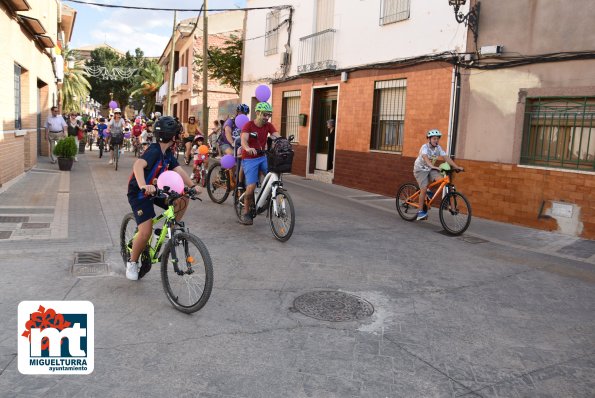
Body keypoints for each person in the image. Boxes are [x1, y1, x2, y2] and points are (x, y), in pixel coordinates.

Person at [125, 116, 198, 280]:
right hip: (139, 193)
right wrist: (144, 185)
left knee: (182, 199)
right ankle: (132, 262)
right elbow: (138, 165)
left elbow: (179, 170)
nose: (180, 136)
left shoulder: (168, 153)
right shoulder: (154, 150)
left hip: (157, 190)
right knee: (145, 232)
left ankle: (167, 231)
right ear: (172, 136)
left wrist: (192, 187)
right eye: (178, 133)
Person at [239, 102, 279, 225]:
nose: (267, 117)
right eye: (264, 114)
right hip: (250, 158)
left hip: (263, 156)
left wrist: (284, 143)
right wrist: (247, 148)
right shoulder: (249, 125)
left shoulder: (268, 126)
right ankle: (246, 212)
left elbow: (277, 136)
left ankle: (265, 199)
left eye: (269, 115)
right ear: (257, 113)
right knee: (251, 188)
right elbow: (244, 140)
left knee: (273, 177)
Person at [413, 129, 464, 221]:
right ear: (429, 139)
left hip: (431, 168)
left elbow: (446, 158)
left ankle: (451, 206)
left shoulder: (438, 148)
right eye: (434, 139)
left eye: (437, 139)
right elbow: (425, 157)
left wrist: (457, 167)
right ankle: (420, 211)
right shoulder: (425, 147)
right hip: (420, 169)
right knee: (423, 189)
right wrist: (433, 166)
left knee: (442, 181)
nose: (436, 140)